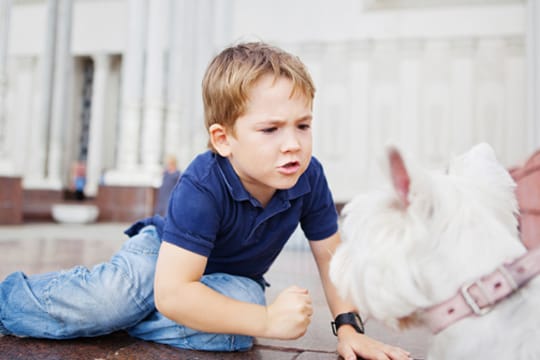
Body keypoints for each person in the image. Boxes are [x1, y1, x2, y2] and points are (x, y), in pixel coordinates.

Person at [0, 42, 411, 360]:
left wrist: (348, 327)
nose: (293, 144)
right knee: (111, 300)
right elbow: (176, 287)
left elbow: (330, 257)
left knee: (239, 322)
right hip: (161, 259)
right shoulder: (203, 182)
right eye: (270, 129)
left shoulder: (309, 176)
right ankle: (12, 300)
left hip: (226, 281)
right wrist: (267, 320)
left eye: (303, 125)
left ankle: (135, 316)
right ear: (223, 139)